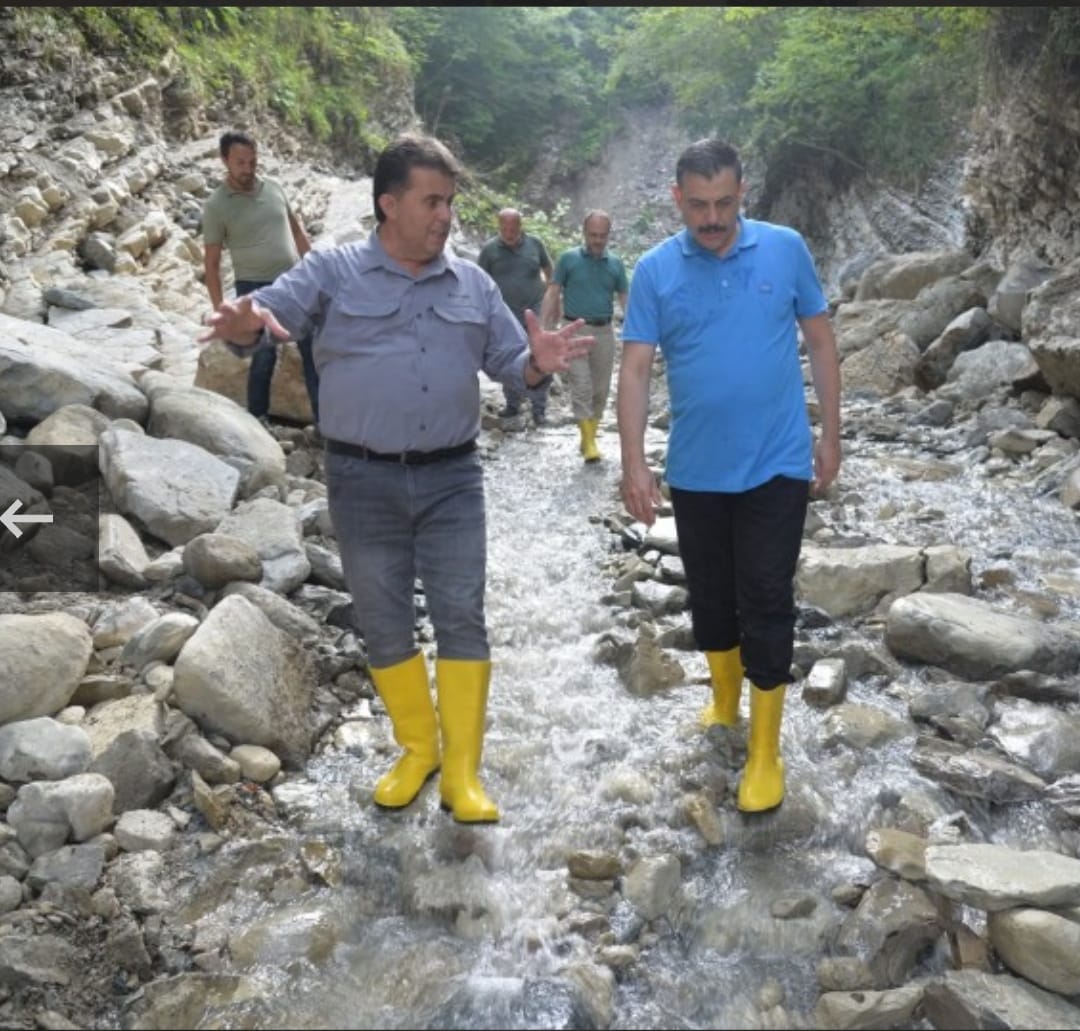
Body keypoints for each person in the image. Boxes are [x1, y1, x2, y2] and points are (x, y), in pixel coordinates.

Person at [202, 132, 594, 824]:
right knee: (383, 623)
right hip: (361, 477)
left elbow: (513, 363)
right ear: (388, 203)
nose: (445, 216)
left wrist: (539, 362)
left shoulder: (471, 282)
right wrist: (241, 325)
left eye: (449, 202)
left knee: (461, 615)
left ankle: (463, 775)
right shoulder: (332, 271)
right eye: (431, 201)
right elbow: (266, 321)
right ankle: (418, 748)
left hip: (453, 480)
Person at [616, 138, 841, 814]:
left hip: (777, 460)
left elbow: (822, 341)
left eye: (724, 202)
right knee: (711, 596)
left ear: (743, 191)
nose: (712, 218)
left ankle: (766, 749)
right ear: (677, 198)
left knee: (768, 593)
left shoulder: (785, 248)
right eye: (698, 205)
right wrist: (634, 462)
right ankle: (723, 702)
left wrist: (831, 434)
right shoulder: (656, 270)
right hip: (697, 469)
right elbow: (633, 369)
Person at [202, 129, 321, 426]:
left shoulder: (275, 188)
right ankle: (257, 420)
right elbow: (212, 262)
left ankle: (325, 421)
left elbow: (296, 232)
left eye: (252, 161)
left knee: (313, 348)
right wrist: (220, 309)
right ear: (224, 160)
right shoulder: (217, 205)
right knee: (264, 355)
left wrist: (317, 269)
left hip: (294, 281)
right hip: (254, 288)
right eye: (240, 162)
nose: (247, 169)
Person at [541, 210, 629, 463]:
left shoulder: (616, 264)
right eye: (593, 235)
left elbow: (624, 298)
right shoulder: (568, 259)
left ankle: (589, 435)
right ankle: (589, 443)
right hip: (574, 329)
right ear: (584, 233)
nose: (597, 241)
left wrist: (635, 328)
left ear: (609, 235)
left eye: (602, 236)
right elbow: (552, 292)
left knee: (601, 390)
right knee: (581, 385)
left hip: (604, 331)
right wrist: (545, 327)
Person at [477, 208, 553, 424]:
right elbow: (479, 280)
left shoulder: (535, 244)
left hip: (535, 310)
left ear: (521, 226)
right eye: (505, 228)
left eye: (513, 228)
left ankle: (539, 409)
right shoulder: (490, 250)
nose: (509, 233)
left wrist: (551, 295)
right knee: (510, 357)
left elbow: (549, 270)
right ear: (499, 226)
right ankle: (512, 405)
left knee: (539, 358)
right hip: (505, 314)